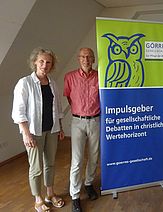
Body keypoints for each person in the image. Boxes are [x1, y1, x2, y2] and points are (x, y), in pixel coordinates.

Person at [12, 47, 65, 211]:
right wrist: (26, 134)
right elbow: (18, 111)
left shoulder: (53, 83)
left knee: (50, 164)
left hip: (52, 130)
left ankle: (50, 193)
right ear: (34, 62)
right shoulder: (25, 83)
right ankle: (38, 198)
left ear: (52, 65)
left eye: (48, 62)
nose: (45, 65)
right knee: (36, 167)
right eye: (41, 61)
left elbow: (57, 107)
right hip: (34, 132)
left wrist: (60, 127)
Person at [64, 47, 100, 212]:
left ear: (93, 59)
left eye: (89, 57)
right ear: (78, 59)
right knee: (77, 161)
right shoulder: (69, 77)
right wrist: (80, 112)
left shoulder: (100, 76)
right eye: (83, 57)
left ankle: (88, 184)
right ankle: (75, 196)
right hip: (77, 122)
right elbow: (70, 100)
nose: (86, 59)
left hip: (95, 121)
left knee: (93, 157)